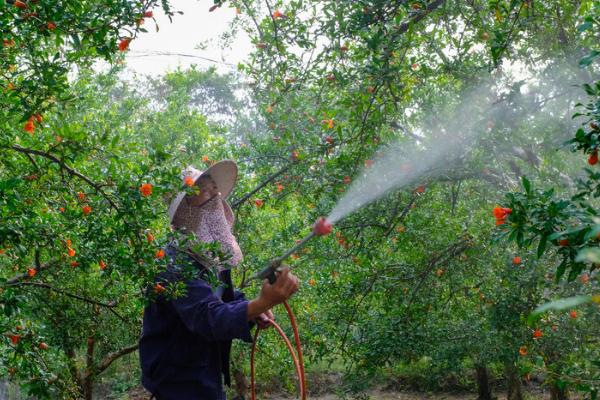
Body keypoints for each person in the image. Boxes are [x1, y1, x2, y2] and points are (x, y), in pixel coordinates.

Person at [139, 160, 300, 400]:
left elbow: (222, 297)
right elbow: (207, 316)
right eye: (205, 189)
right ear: (185, 207)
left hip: (205, 370)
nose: (215, 195)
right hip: (177, 380)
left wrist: (253, 310)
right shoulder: (173, 262)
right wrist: (260, 304)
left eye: (215, 188)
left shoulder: (212, 255)